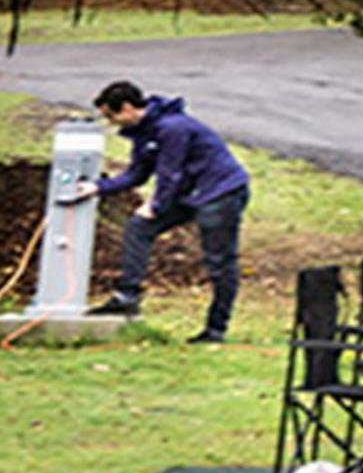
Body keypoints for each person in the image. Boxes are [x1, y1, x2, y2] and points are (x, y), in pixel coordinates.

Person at [75, 81, 251, 343]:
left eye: (111, 116)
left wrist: (156, 206)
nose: (112, 123)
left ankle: (216, 330)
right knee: (138, 226)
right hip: (192, 193)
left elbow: (171, 173)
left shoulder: (173, 127)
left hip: (220, 192)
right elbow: (137, 174)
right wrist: (97, 187)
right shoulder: (143, 132)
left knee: (219, 263)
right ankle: (127, 297)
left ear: (126, 108)